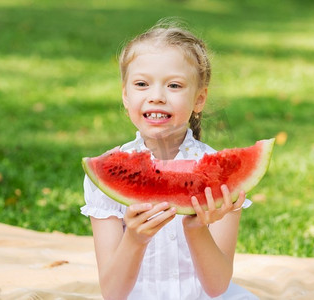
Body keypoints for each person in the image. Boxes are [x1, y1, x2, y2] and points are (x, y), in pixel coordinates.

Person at [81, 20, 258, 300]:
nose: (157, 97)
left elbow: (218, 286)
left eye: (174, 85)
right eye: (141, 84)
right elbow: (112, 293)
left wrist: (197, 228)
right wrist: (134, 239)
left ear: (199, 99)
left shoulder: (221, 180)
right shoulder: (103, 176)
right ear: (126, 96)